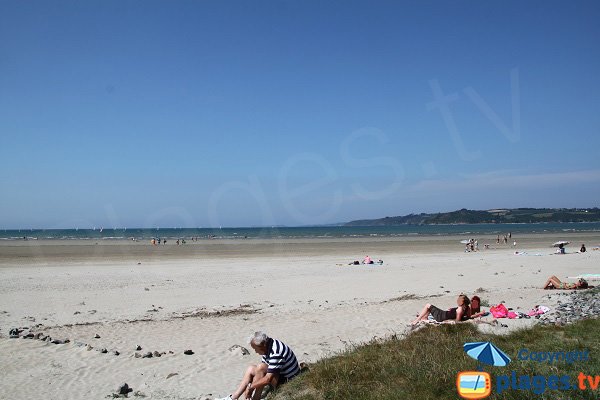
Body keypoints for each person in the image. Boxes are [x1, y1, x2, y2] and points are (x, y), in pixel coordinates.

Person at [216, 332, 301, 400]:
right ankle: (233, 397)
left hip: (289, 379)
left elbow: (267, 378)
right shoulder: (268, 346)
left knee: (260, 368)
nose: (255, 351)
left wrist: (250, 387)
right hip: (279, 374)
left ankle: (255, 399)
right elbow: (261, 371)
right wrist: (249, 387)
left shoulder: (276, 352)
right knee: (251, 368)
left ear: (262, 346)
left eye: (255, 349)